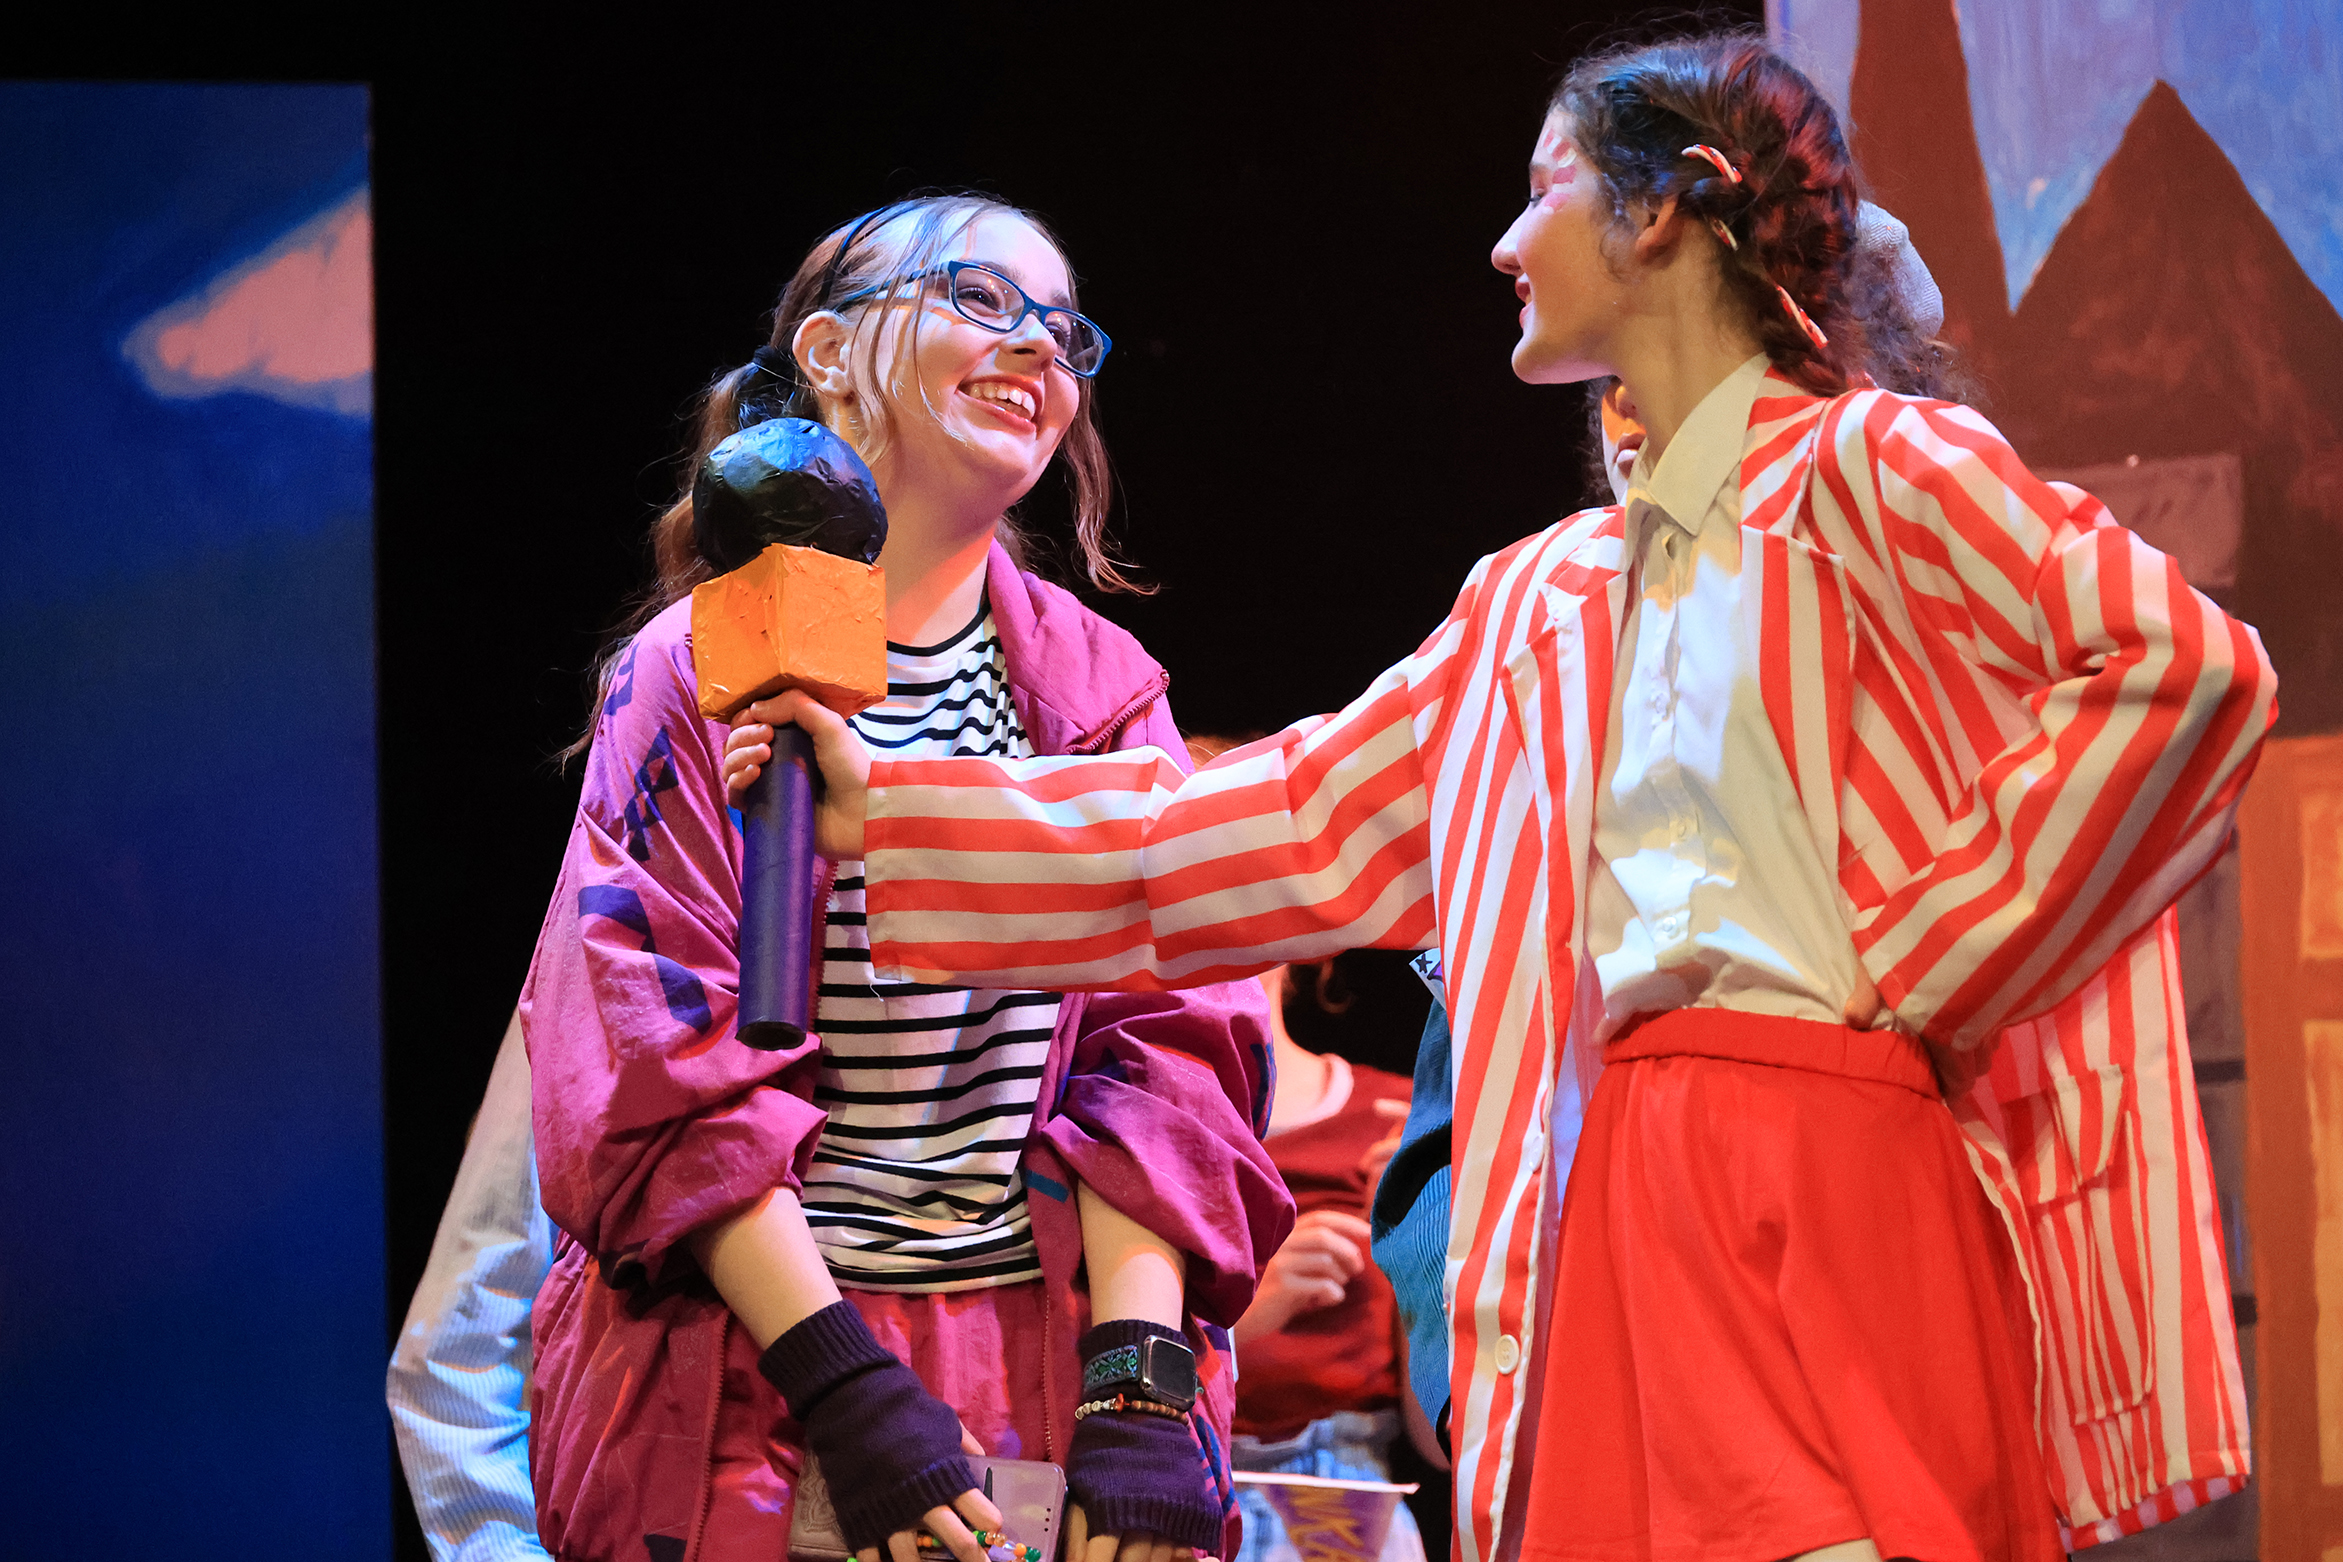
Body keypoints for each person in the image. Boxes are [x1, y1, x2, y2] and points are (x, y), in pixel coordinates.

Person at [730, 35, 2272, 1562]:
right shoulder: (1539, 604)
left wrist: (1923, 962)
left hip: (1825, 1162)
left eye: (1544, 189)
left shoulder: (1866, 464)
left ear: (1662, 210)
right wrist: (883, 810)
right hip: (1615, 1194)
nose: (1503, 241)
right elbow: (1258, 820)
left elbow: (2177, 665)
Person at [526, 193, 1291, 1562]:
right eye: (981, 298)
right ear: (828, 351)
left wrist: (1136, 1390)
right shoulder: (690, 670)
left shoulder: (1103, 690)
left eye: (1064, 328)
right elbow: (652, 1055)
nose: (1038, 346)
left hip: (1040, 1368)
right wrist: (847, 1387)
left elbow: (1170, 1046)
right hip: (760, 1384)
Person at [1220, 952, 1426, 1562]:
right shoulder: (1136, 1126)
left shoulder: (1396, 1120)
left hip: (1346, 1509)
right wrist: (1240, 1318)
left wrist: (1422, 1239)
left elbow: (1441, 1439)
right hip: (1185, 1479)